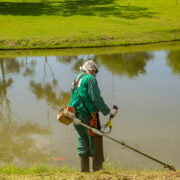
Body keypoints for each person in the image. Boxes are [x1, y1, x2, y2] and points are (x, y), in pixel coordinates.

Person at [68, 60, 117, 172]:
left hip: (75, 116)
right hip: (89, 117)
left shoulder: (76, 79)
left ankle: (84, 171)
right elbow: (95, 98)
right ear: (90, 70)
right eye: (95, 72)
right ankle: (98, 171)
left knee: (82, 142)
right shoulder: (90, 79)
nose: (95, 75)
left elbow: (77, 97)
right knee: (96, 143)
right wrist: (108, 112)